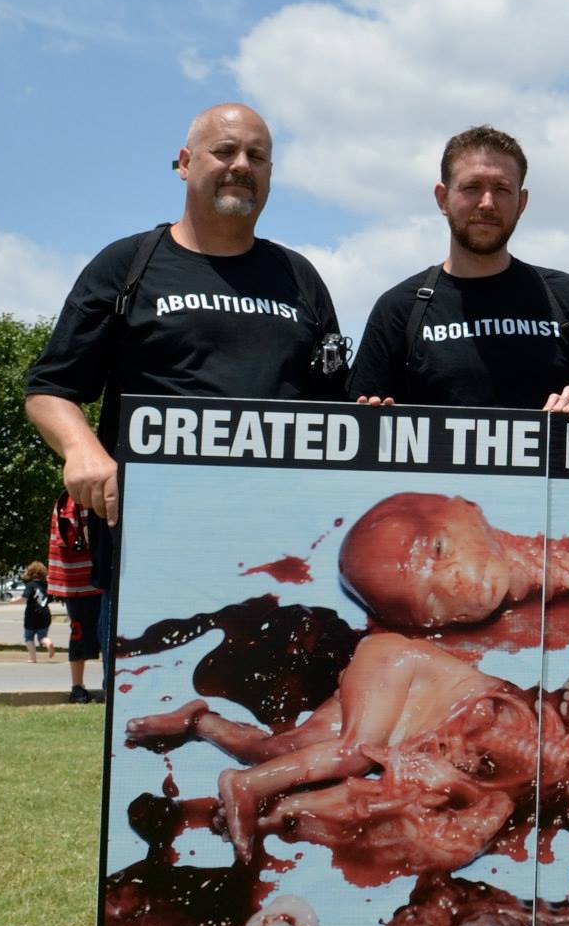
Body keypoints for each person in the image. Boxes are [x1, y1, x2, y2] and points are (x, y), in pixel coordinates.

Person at [24, 103, 347, 660]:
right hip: (154, 555)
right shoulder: (127, 265)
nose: (241, 164)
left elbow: (339, 412)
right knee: (149, 731)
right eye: (224, 151)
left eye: (257, 155)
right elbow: (50, 389)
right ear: (184, 163)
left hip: (285, 561)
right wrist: (83, 450)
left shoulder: (301, 279)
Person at [348, 125, 569, 416]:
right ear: (442, 198)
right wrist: (376, 422)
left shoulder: (568, 298)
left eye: (502, 189)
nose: (487, 203)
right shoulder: (399, 309)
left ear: (522, 202)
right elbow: (358, 434)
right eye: (472, 187)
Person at [47, 490, 101, 703]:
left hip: (75, 579)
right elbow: (88, 536)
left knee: (79, 633)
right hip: (86, 577)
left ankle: (78, 687)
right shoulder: (79, 498)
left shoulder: (66, 497)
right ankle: (80, 686)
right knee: (96, 633)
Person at [21, 561, 53, 662]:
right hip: (45, 614)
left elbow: (24, 598)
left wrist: (13, 601)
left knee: (28, 637)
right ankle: (48, 643)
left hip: (31, 614)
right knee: (42, 637)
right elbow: (50, 599)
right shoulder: (46, 586)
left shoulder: (30, 585)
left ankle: (32, 658)